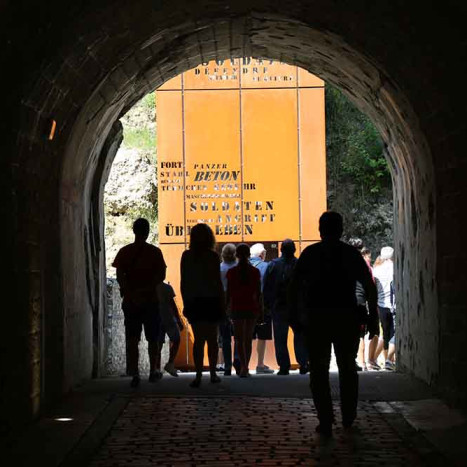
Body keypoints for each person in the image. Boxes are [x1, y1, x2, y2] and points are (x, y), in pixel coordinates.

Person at [289, 211, 378, 436]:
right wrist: (373, 318)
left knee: (318, 371)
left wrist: (295, 317)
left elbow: (294, 287)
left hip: (317, 318)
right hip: (345, 317)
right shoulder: (350, 254)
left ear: (320, 230)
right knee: (348, 368)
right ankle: (348, 415)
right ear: (340, 230)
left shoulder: (310, 254)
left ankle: (325, 419)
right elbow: (368, 286)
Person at [112, 218, 167, 387]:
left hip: (131, 301)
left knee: (132, 338)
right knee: (153, 338)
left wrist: (131, 293)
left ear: (134, 231)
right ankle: (153, 370)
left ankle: (135, 372)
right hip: (150, 301)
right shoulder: (155, 253)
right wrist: (147, 290)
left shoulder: (124, 252)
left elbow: (120, 276)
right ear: (148, 231)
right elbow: (161, 276)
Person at [180, 223, 225, 388]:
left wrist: (186, 302)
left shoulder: (186, 256)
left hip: (195, 301)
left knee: (199, 340)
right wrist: (223, 302)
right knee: (212, 339)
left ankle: (199, 375)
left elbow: (184, 282)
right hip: (211, 301)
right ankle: (213, 374)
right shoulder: (212, 256)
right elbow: (217, 283)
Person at [263, 239, 308, 375]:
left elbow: (267, 287)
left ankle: (284, 366)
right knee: (299, 336)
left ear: (281, 250)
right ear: (294, 250)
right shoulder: (300, 265)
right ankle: (303, 363)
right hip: (297, 307)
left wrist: (267, 305)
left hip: (279, 307)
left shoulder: (273, 265)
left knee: (280, 338)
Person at [226, 243, 263, 377]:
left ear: (236, 255)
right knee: (248, 339)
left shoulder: (232, 273)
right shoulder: (255, 272)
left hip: (237, 307)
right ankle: (246, 366)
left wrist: (226, 308)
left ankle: (242, 367)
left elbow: (229, 292)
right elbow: (259, 293)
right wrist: (261, 309)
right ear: (249, 255)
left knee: (239, 338)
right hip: (251, 306)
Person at [250, 243, 274, 374]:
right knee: (262, 336)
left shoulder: (242, 266)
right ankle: (260, 364)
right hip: (263, 307)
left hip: (246, 306)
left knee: (245, 336)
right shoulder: (266, 266)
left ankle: (243, 364)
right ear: (261, 254)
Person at [155, 281, 184, 378]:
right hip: (168, 318)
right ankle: (170, 364)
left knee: (158, 345)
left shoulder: (151, 288)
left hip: (157, 318)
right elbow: (173, 305)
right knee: (176, 339)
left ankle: (157, 369)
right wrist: (179, 320)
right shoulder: (167, 288)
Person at [373, 246, 396, 370]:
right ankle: (389, 360)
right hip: (393, 305)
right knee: (395, 333)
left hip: (381, 305)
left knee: (386, 334)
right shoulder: (394, 268)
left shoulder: (376, 269)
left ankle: (382, 359)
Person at [219, 243, 237, 376]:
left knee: (225, 338)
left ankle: (227, 366)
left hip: (222, 305)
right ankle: (238, 362)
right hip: (237, 304)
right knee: (239, 337)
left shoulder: (219, 268)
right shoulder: (238, 268)